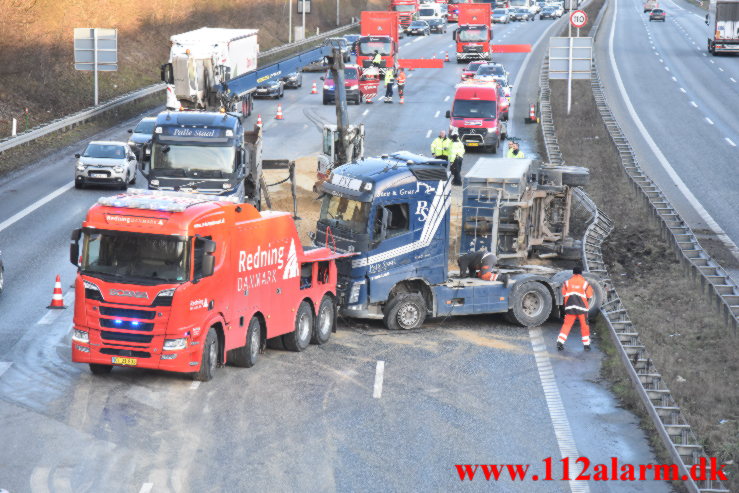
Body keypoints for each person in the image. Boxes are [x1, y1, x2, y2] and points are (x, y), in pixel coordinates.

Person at [557, 265, 594, 351]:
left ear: (573, 273)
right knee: (584, 326)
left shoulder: (567, 283)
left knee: (566, 325)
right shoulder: (585, 283)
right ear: (581, 273)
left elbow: (563, 294)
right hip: (582, 309)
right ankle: (586, 345)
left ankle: (560, 342)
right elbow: (590, 295)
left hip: (570, 308)